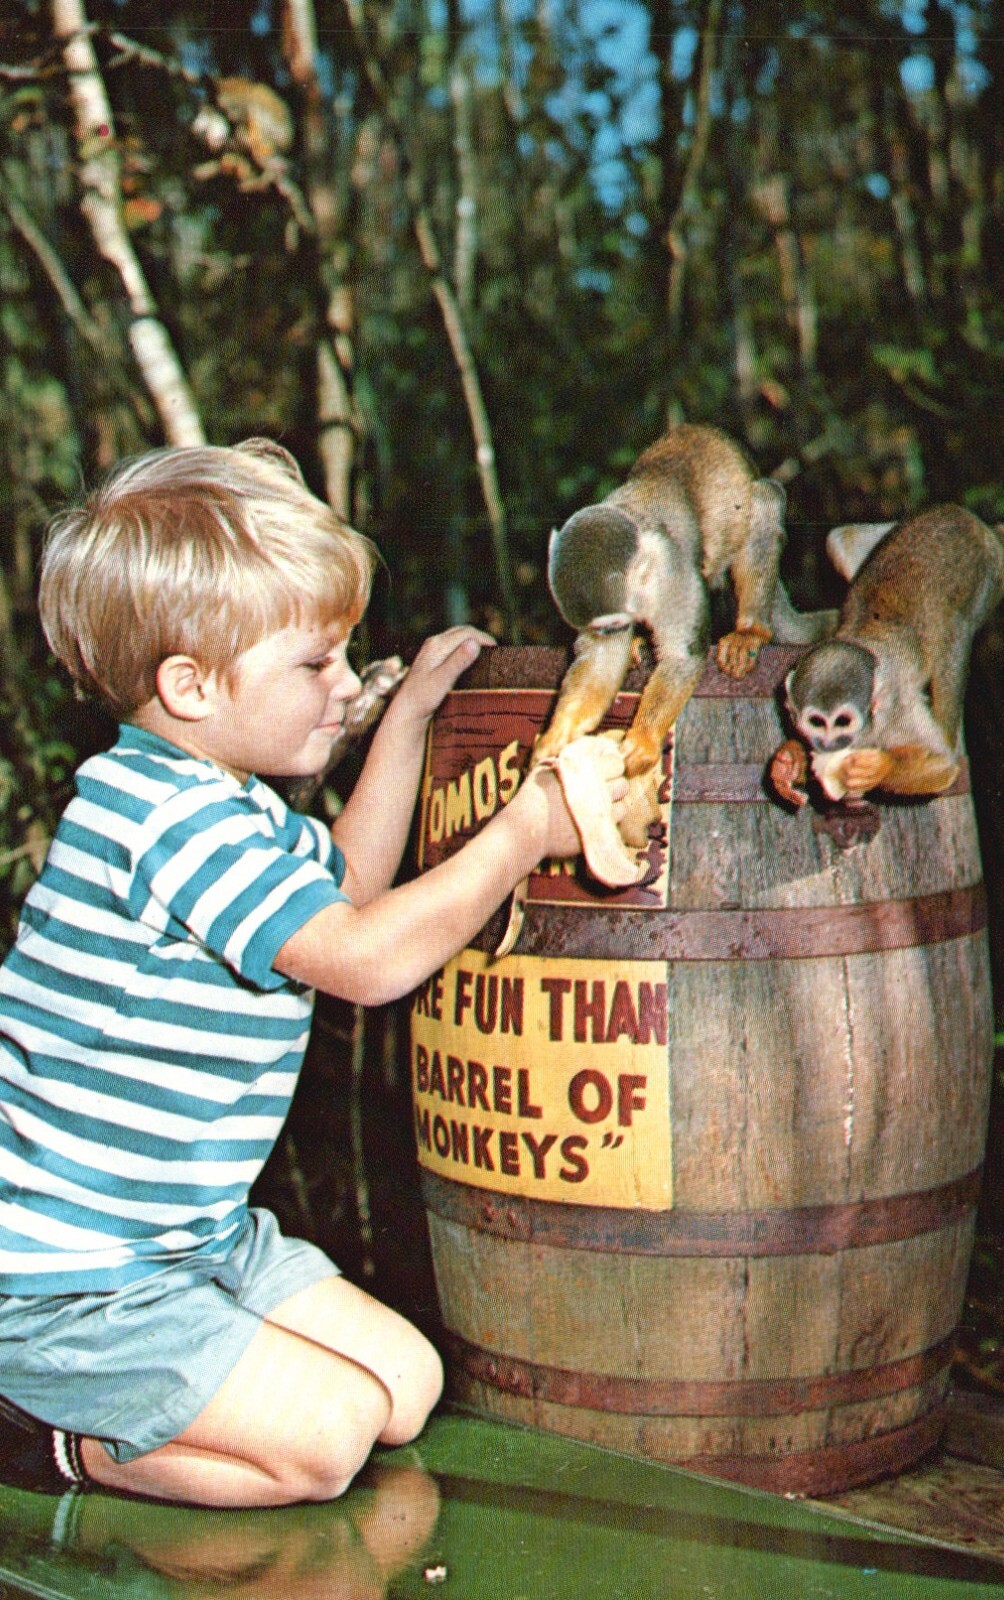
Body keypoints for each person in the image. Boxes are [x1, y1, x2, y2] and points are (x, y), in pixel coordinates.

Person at [0, 439, 625, 1508]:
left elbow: (341, 882)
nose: (344, 685)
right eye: (313, 664)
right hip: (64, 1282)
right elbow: (364, 960)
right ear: (188, 686)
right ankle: (43, 1438)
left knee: (404, 1386)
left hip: (185, 1242)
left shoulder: (219, 798)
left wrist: (411, 717)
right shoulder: (156, 819)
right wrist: (527, 828)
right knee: (326, 1442)